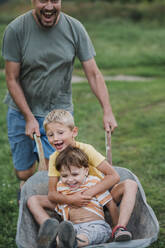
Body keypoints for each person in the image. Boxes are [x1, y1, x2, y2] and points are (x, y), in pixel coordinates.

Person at [1, 0, 117, 191]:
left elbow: (94, 74)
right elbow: (11, 78)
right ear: (33, 1)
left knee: (55, 167)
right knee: (23, 172)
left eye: (54, 0)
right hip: (21, 111)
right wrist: (29, 117)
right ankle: (28, 188)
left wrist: (107, 110)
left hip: (57, 112)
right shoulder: (16, 30)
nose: (49, 6)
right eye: (42, 0)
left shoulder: (74, 28)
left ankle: (55, 207)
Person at [27, 109, 137, 246]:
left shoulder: (86, 150)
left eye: (60, 133)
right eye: (50, 135)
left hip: (99, 194)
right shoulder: (54, 158)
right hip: (70, 197)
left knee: (130, 184)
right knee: (32, 200)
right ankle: (54, 234)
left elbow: (113, 176)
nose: (55, 138)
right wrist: (72, 199)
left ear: (74, 132)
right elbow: (52, 194)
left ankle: (119, 228)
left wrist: (86, 194)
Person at [28, 145, 115, 248]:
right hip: (72, 227)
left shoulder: (93, 183)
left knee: (86, 235)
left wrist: (116, 227)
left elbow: (111, 204)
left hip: (95, 225)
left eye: (75, 174)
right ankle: (51, 240)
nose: (70, 180)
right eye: (64, 176)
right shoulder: (61, 187)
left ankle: (73, 243)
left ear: (86, 171)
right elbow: (61, 207)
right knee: (66, 233)